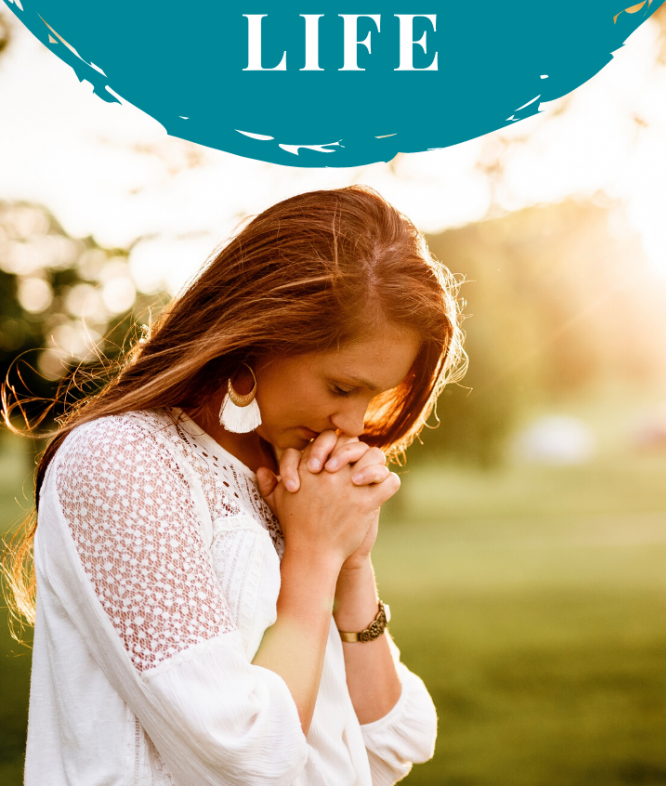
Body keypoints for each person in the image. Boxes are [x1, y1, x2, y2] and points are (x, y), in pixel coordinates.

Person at [5, 185, 466, 786]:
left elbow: (389, 743)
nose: (355, 426)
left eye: (374, 396)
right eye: (341, 387)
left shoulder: (292, 478)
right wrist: (313, 560)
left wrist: (350, 563)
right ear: (259, 335)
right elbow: (246, 755)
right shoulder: (122, 463)